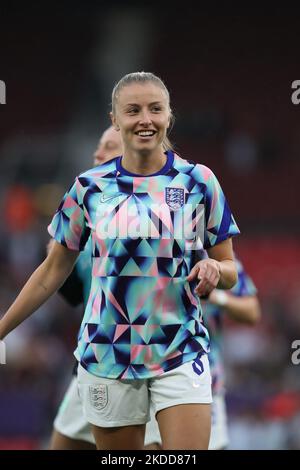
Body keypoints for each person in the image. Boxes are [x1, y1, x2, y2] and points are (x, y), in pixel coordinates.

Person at [0, 71, 240, 450]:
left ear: (168, 115)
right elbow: (52, 272)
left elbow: (230, 270)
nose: (145, 119)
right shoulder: (87, 187)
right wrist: (2, 329)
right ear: (115, 119)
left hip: (180, 347)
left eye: (155, 109)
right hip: (108, 353)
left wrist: (215, 268)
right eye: (133, 110)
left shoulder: (199, 182)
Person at [50, 125, 123, 450]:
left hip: (149, 361)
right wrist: (53, 252)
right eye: (97, 147)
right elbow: (76, 293)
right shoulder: (88, 213)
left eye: (108, 146)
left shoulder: (164, 211)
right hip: (95, 358)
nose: (97, 155)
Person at [143, 254, 261, 450]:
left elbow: (252, 311)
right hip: (149, 374)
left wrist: (216, 297)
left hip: (204, 379)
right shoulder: (152, 251)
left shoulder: (217, 259)